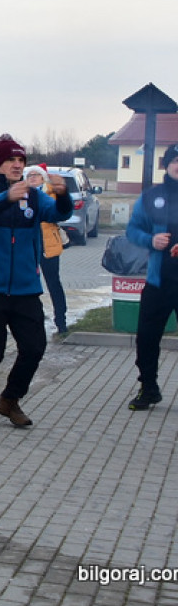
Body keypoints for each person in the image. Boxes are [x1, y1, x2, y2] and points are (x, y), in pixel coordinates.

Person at [0, 134, 72, 430]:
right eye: (11, 160)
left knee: (35, 347)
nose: (17, 165)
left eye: (21, 160)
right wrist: (6, 198)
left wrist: (63, 194)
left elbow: (59, 213)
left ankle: (10, 399)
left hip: (26, 288)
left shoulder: (34, 196)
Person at [124, 143, 178, 411]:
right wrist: (151, 240)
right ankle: (149, 389)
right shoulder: (151, 196)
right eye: (176, 160)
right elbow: (132, 230)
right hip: (159, 282)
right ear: (167, 165)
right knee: (146, 337)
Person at [24, 164, 68, 335]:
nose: (33, 177)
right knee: (29, 284)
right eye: (30, 175)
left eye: (36, 175)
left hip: (48, 244)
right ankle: (33, 319)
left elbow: (61, 212)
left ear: (43, 178)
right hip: (29, 246)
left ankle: (61, 320)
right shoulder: (23, 194)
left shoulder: (51, 193)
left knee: (53, 283)